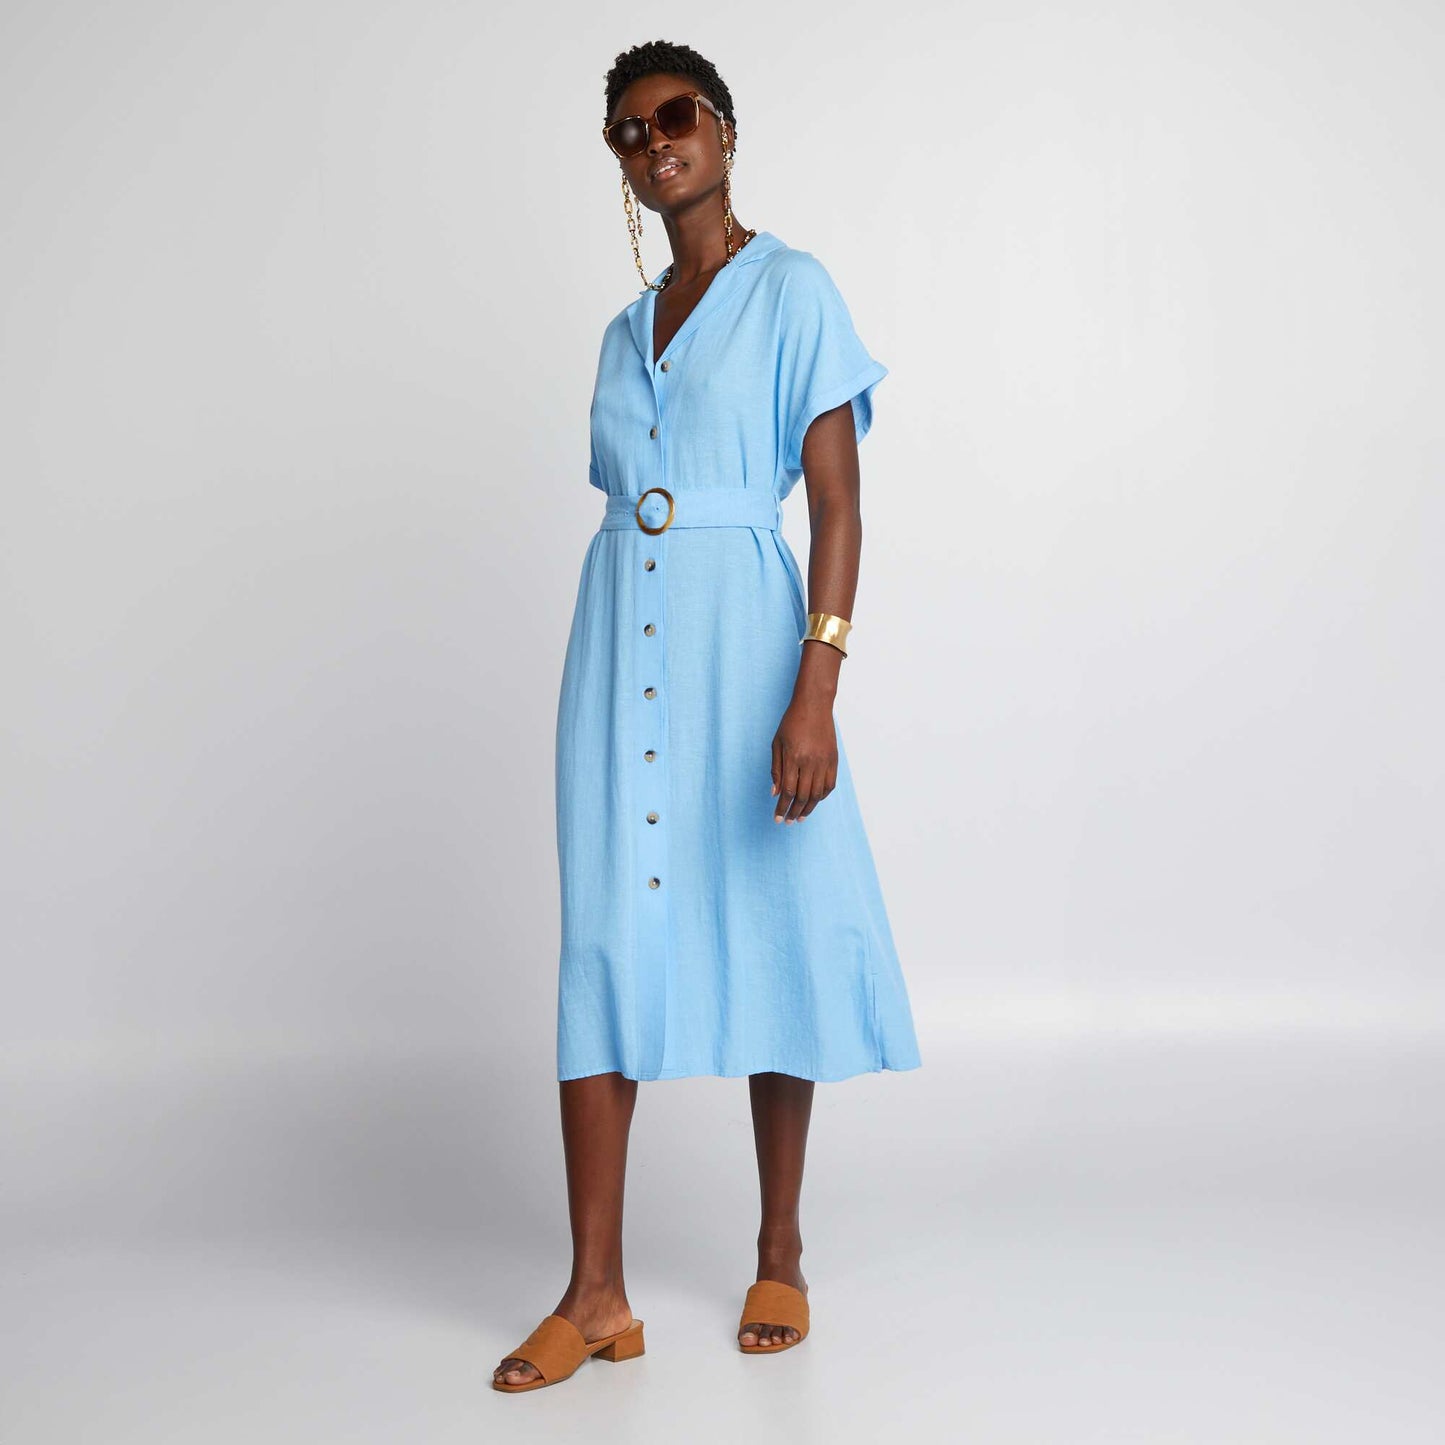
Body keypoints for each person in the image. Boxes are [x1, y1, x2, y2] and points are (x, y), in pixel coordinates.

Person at [493, 39, 922, 1393]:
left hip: (747, 642)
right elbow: (625, 497)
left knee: (771, 916)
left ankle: (779, 1247)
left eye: (674, 116)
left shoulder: (794, 290)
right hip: (617, 644)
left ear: (724, 131)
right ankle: (596, 1296)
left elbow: (837, 505)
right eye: (627, 132)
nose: (653, 141)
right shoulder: (621, 336)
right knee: (601, 938)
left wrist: (817, 685)